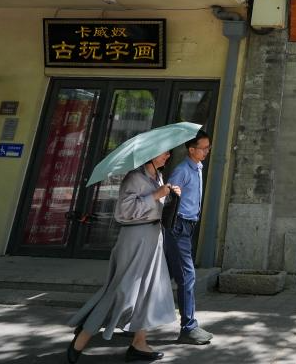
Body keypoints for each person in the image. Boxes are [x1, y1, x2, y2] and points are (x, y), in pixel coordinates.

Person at [66, 151, 181, 363]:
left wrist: (171, 195)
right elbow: (124, 211)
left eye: (168, 152)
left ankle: (139, 343)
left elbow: (156, 207)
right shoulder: (134, 177)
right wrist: (156, 195)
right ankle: (82, 337)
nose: (167, 155)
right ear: (151, 154)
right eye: (163, 152)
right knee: (121, 290)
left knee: (148, 291)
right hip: (135, 238)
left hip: (153, 237)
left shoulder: (157, 176)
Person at [163, 129, 214, 345]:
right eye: (203, 148)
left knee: (161, 275)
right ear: (191, 150)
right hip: (178, 226)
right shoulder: (182, 170)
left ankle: (134, 322)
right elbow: (168, 200)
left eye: (208, 147)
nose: (207, 151)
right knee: (187, 276)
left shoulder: (198, 167)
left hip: (189, 226)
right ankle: (188, 327)